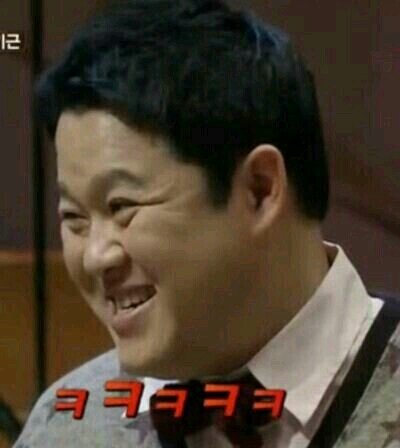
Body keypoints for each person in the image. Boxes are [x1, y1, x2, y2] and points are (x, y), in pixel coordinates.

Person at [14, 0, 400, 447]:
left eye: (122, 206)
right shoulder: (68, 425)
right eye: (74, 218)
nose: (96, 257)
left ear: (259, 189)